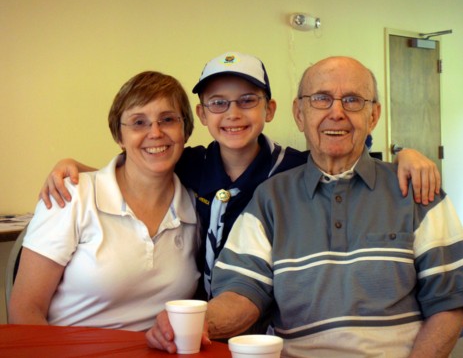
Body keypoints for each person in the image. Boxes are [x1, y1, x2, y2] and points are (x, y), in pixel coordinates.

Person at [38, 52, 441, 302]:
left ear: (270, 109)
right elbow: (137, 165)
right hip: (202, 309)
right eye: (218, 103)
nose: (232, 114)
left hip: (270, 306)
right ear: (201, 115)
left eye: (248, 101)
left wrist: (405, 154)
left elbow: (345, 158)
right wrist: (73, 166)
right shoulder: (189, 164)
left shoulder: (294, 167)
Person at [146, 56, 463, 356]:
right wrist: (199, 322)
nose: (336, 112)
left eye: (352, 100)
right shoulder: (270, 196)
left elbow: (448, 304)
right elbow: (243, 292)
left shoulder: (418, 190)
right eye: (320, 99)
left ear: (373, 115)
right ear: (299, 113)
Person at [8, 71, 200, 331]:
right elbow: (25, 311)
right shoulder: (72, 196)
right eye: (138, 122)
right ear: (119, 137)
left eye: (167, 119)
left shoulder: (197, 208)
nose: (155, 132)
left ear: (185, 129)